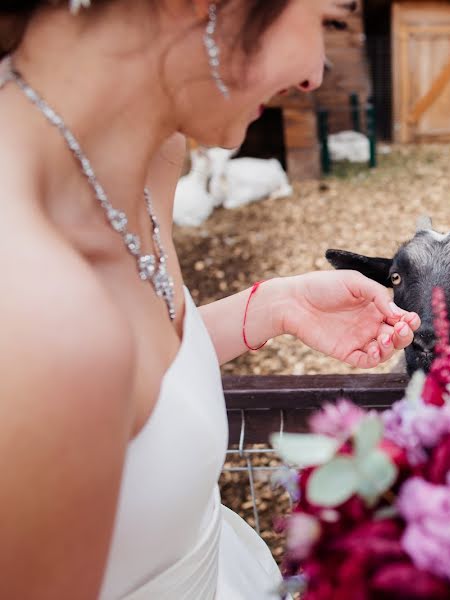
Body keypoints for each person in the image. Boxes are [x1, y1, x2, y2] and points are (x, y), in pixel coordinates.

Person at [0, 1, 420, 598]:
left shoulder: (149, 159)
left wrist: (277, 305)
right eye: (324, 18)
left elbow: (144, 384)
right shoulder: (35, 308)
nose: (315, 73)